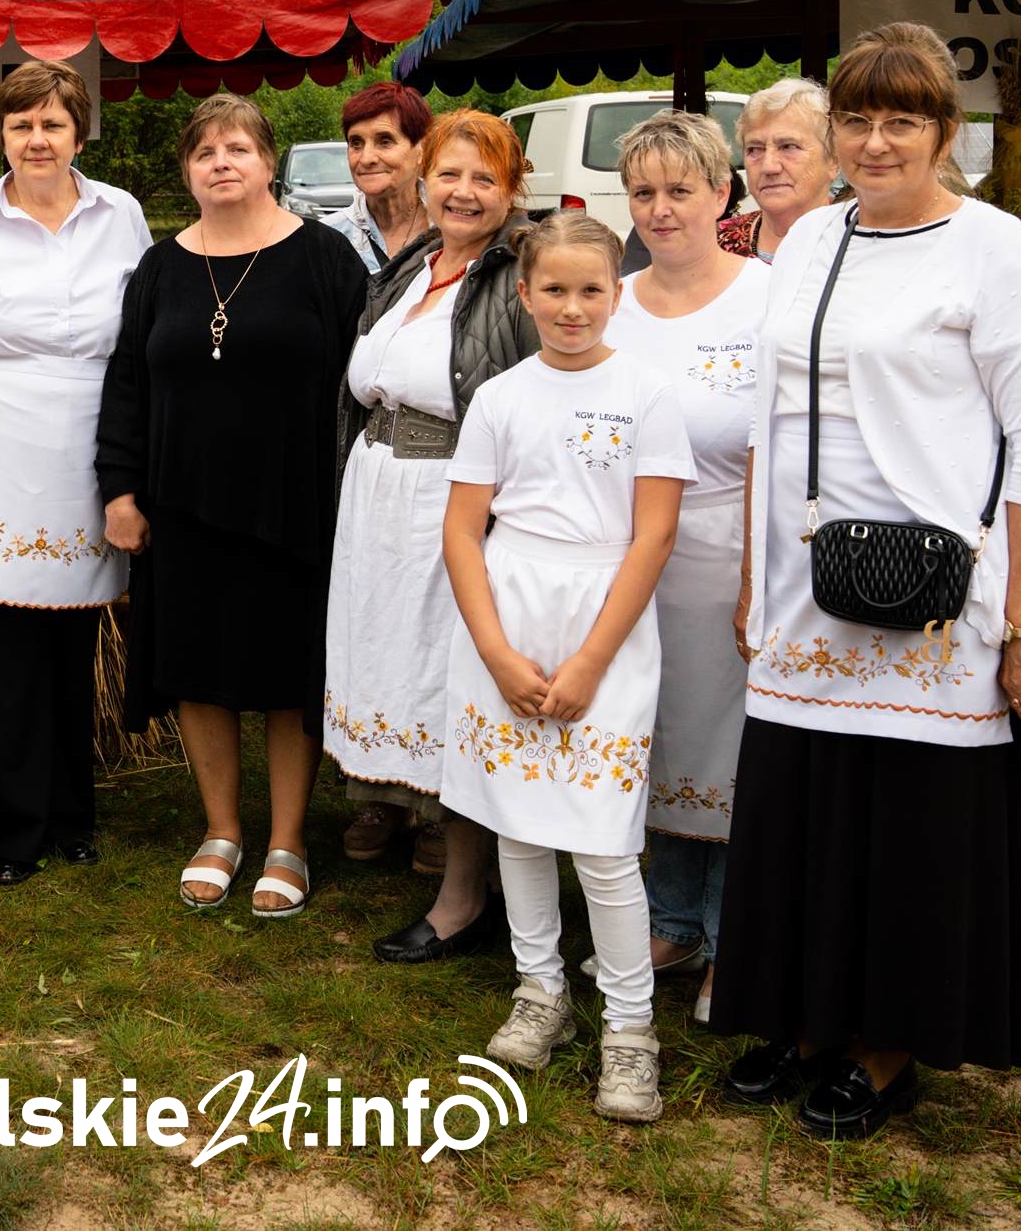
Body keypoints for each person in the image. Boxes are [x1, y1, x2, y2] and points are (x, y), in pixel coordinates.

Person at [714, 29, 1021, 1142]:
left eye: (901, 122)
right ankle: (805, 1018)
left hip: (932, 582)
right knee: (805, 803)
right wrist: (751, 575)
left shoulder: (993, 248)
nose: (875, 142)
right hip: (802, 572)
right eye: (857, 121)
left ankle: (887, 1045)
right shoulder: (811, 237)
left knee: (907, 823)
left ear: (942, 133)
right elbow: (770, 422)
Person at [438, 211, 690, 1124]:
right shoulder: (502, 396)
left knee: (604, 837)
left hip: (604, 621)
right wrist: (498, 652)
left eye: (592, 290)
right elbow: (464, 531)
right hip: (511, 613)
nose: (573, 307)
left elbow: (654, 532)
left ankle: (630, 1029)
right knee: (519, 820)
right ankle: (540, 986)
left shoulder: (649, 393)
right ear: (525, 292)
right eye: (555, 289)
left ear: (617, 293)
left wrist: (589, 659)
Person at [97, 93, 366, 917]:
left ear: (269, 161)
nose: (222, 162)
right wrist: (120, 489)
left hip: (296, 501)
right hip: (182, 502)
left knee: (290, 671)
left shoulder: (325, 259)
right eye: (206, 150)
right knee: (198, 668)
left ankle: (288, 838)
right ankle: (221, 829)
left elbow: (362, 385)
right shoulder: (160, 266)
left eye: (238, 147)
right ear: (188, 169)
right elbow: (127, 382)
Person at [0, 59, 148, 884]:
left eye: (51, 123)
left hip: (88, 449)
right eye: (20, 125)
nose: (36, 139)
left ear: (79, 131)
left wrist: (132, 470)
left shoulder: (123, 214)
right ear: (0, 136)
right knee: (6, 653)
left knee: (72, 646)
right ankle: (15, 827)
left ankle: (74, 813)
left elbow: (143, 345)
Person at [325, 109, 535, 955]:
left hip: (454, 497)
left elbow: (530, 409)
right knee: (402, 669)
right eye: (450, 174)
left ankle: (463, 894)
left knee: (457, 686)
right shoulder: (415, 265)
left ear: (512, 189)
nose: (463, 191)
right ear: (426, 178)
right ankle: (422, 826)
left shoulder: (518, 274)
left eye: (484, 178)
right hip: (380, 493)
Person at [602, 110, 770, 1027]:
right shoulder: (613, 300)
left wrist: (758, 580)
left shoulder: (766, 299)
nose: (661, 210)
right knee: (650, 737)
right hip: (628, 560)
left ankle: (729, 932)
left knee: (727, 748)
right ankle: (668, 917)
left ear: (722, 193)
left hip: (728, 552)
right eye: (643, 193)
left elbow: (780, 450)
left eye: (679, 190)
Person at [719, 79, 838, 261]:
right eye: (754, 149)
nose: (769, 167)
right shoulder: (715, 246)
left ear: (833, 160)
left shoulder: (860, 246)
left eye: (788, 146)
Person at [329, 81, 434, 274]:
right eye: (356, 143)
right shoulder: (328, 239)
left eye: (385, 141)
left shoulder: (450, 228)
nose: (366, 158)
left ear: (422, 148)